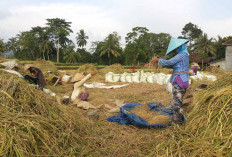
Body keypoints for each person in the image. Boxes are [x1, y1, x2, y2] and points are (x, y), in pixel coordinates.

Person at [150, 38, 190, 124]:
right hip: (182, 80)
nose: (175, 51)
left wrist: (158, 60)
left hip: (180, 80)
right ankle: (177, 119)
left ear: (180, 47)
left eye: (175, 49)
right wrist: (162, 64)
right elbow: (173, 65)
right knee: (177, 102)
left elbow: (170, 62)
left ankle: (180, 121)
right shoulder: (184, 55)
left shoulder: (182, 54)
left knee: (176, 104)